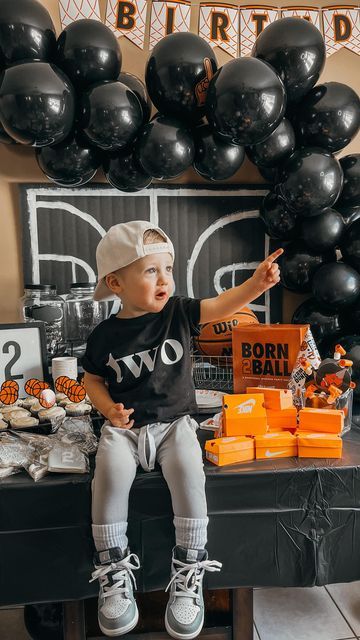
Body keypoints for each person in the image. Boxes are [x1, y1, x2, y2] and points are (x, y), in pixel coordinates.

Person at [83, 220, 283, 639]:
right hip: (126, 427)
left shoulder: (179, 313)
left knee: (191, 472)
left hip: (175, 424)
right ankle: (114, 568)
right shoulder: (104, 335)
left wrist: (254, 286)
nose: (165, 280)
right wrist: (108, 410)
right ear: (116, 282)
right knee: (110, 474)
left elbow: (222, 305)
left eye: (168, 269)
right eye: (151, 271)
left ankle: (189, 566)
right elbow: (93, 380)